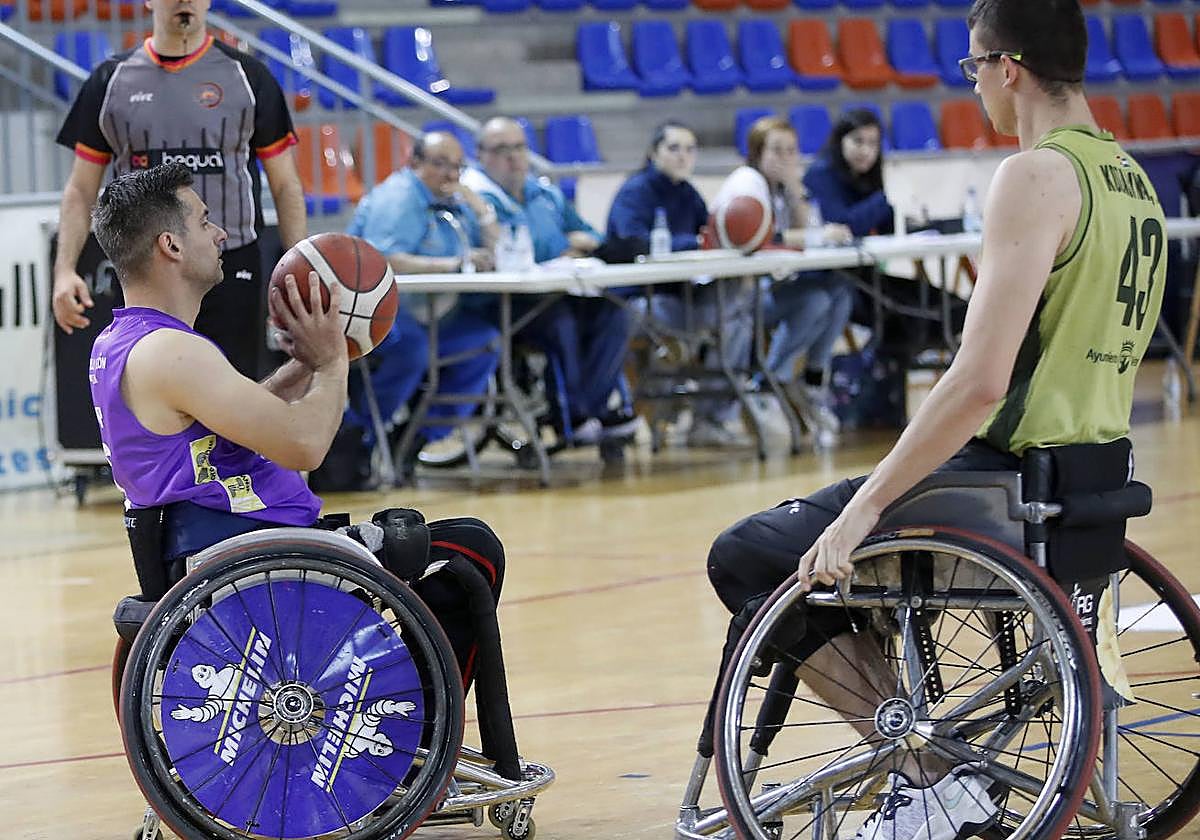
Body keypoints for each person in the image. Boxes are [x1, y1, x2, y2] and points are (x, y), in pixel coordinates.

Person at [705, 1, 1167, 838]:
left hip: (1007, 482)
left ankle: (928, 773)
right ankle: (925, 759)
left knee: (748, 555)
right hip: (1095, 478)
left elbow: (980, 383)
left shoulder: (1033, 175)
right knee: (830, 543)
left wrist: (863, 510)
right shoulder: (1133, 183)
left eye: (973, 67)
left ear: (1009, 68)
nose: (976, 86)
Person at [89, 162, 506, 690]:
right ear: (170, 244)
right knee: (471, 550)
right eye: (204, 220)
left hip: (223, 547)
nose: (221, 233)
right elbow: (306, 445)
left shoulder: (125, 342)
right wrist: (335, 362)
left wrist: (302, 365)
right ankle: (417, 737)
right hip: (262, 558)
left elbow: (234, 423)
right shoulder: (172, 353)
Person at [52, 0, 307, 379]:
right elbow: (79, 189)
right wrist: (64, 270)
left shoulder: (249, 78)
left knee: (233, 393)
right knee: (153, 391)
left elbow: (285, 185)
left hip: (228, 261)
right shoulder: (110, 81)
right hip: (146, 268)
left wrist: (297, 267)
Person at [327, 131, 502, 489]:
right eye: (440, 165)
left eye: (457, 167)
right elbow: (383, 258)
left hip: (434, 313)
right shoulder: (399, 198)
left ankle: (415, 438)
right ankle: (362, 436)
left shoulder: (452, 201)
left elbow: (496, 249)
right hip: (376, 313)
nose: (450, 175)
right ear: (415, 163)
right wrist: (452, 264)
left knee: (485, 342)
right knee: (412, 348)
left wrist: (481, 211)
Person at [461, 116, 637, 445]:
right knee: (561, 322)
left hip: (558, 291)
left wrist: (577, 246)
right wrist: (563, 249)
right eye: (502, 149)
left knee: (617, 312)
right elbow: (501, 253)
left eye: (519, 147)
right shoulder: (473, 198)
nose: (513, 156)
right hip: (498, 303)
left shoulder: (545, 193)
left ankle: (590, 407)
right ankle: (570, 415)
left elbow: (592, 237)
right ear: (481, 154)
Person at [607, 120, 754, 448]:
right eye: (674, 148)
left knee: (739, 314)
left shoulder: (689, 193)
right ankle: (663, 413)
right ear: (653, 153)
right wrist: (692, 242)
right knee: (665, 318)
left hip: (683, 293)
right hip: (641, 298)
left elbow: (712, 236)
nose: (682, 156)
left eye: (689, 149)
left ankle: (711, 418)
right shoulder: (635, 191)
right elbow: (633, 242)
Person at [733, 116, 854, 446]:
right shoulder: (748, 185)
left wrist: (797, 189)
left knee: (840, 293)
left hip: (775, 285)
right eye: (777, 150)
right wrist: (813, 233)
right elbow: (764, 237)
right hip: (743, 296)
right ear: (757, 153)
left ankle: (814, 375)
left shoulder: (784, 189)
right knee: (815, 300)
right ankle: (772, 375)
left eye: (791, 150)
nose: (786, 158)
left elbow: (809, 232)